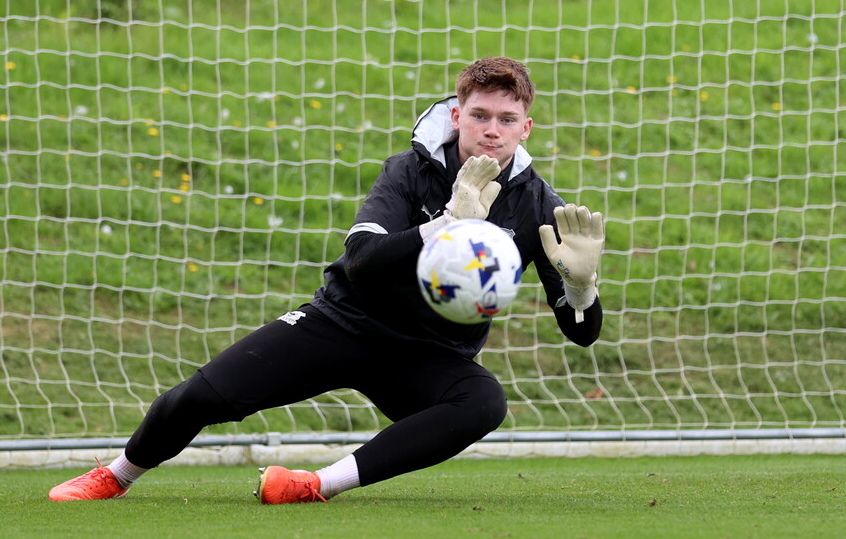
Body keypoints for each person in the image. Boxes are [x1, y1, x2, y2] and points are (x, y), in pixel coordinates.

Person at [48, 56, 605, 504]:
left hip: (429, 355)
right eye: (480, 115)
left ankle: (316, 484)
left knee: (483, 403)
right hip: (342, 324)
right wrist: (447, 228)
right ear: (457, 116)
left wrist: (580, 288)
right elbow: (362, 257)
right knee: (199, 397)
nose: (492, 131)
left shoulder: (537, 204)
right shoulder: (407, 171)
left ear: (525, 127)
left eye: (507, 120)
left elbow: (580, 334)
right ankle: (116, 475)